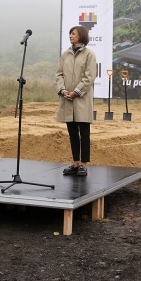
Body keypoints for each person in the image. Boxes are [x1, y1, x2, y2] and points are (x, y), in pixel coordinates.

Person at [55, 25, 97, 177]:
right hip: (67, 99)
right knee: (72, 133)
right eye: (70, 34)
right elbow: (59, 74)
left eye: (73, 34)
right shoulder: (65, 54)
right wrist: (63, 90)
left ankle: (84, 164)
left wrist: (76, 92)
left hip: (82, 99)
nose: (71, 36)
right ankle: (75, 163)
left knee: (84, 133)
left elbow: (90, 76)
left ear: (81, 35)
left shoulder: (89, 54)